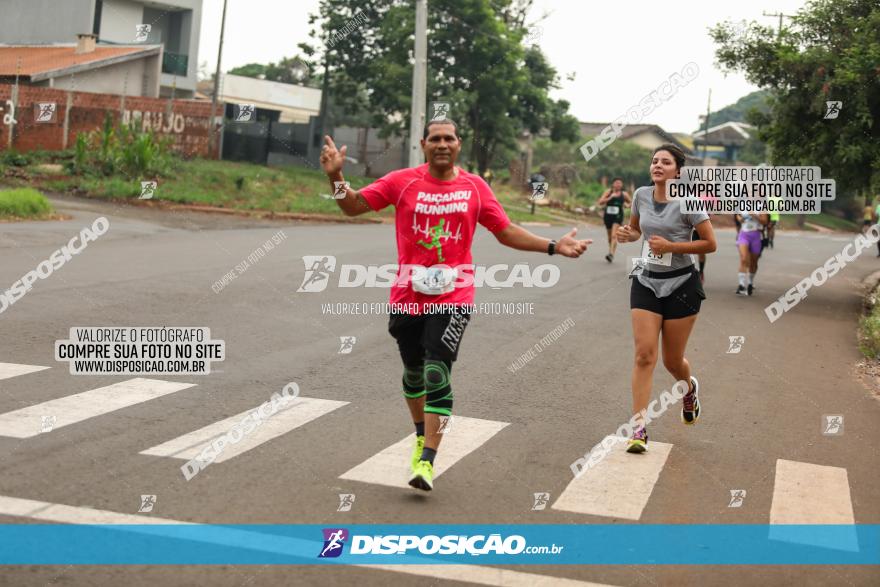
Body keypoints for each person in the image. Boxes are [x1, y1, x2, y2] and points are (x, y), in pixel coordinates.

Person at [319, 120, 591, 491]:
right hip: (407, 296)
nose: (442, 144)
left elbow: (505, 230)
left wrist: (552, 245)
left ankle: (428, 460)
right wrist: (336, 177)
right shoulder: (402, 181)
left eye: (449, 138)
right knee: (414, 373)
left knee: (436, 373)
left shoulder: (475, 187)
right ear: (423, 145)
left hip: (455, 296)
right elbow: (352, 207)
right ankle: (420, 434)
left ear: (459, 145)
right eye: (435, 139)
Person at [616, 144, 716, 453]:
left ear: (678, 171)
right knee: (644, 355)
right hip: (646, 280)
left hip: (682, 286)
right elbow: (636, 231)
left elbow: (709, 244)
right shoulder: (642, 196)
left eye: (665, 161)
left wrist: (672, 247)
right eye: (654, 160)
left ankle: (689, 388)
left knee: (673, 361)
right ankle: (639, 428)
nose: (657, 165)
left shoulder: (689, 202)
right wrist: (626, 235)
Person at [596, 178, 632, 263]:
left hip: (618, 216)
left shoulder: (624, 194)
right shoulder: (608, 192)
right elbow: (600, 202)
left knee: (614, 236)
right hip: (608, 216)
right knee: (609, 237)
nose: (618, 185)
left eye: (620, 183)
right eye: (617, 183)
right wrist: (610, 197)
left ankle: (611, 254)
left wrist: (626, 205)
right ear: (613, 184)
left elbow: (632, 203)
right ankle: (611, 250)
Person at [734, 209, 768, 296]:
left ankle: (750, 283)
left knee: (753, 262)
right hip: (744, 235)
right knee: (744, 259)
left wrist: (755, 215)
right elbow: (738, 217)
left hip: (756, 236)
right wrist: (740, 219)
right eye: (749, 194)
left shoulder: (761, 207)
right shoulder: (742, 205)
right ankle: (741, 285)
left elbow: (765, 221)